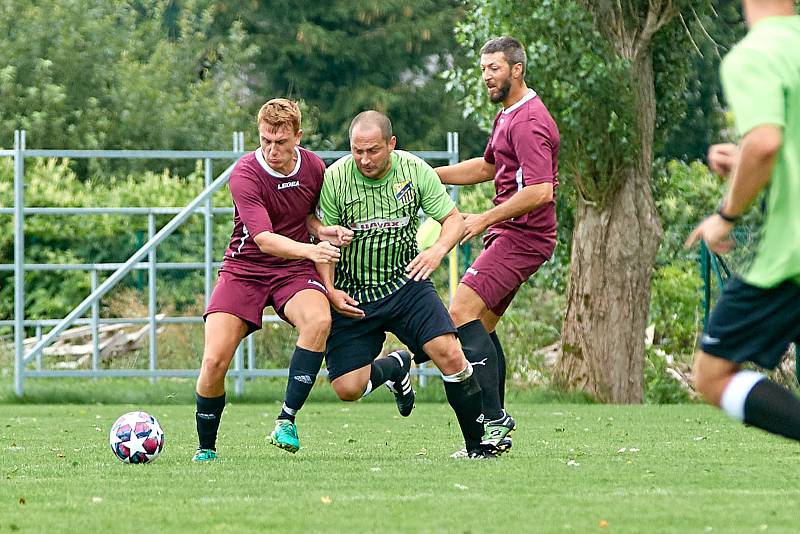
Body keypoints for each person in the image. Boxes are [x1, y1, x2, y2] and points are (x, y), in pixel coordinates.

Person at [317, 110, 498, 458]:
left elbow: (452, 220)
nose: (365, 159)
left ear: (391, 144)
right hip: (355, 292)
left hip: (406, 283)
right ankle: (397, 366)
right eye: (357, 151)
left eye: (373, 150)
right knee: (347, 388)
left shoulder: (415, 171)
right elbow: (324, 245)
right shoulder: (335, 179)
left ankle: (477, 447)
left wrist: (437, 251)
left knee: (450, 353)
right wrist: (330, 289)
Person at [193, 98, 353, 461]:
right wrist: (313, 250)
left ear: (298, 136)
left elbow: (307, 217)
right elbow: (264, 238)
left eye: (280, 142)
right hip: (244, 268)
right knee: (214, 361)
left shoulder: (313, 167)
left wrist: (323, 232)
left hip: (291, 270)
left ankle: (287, 419)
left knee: (319, 321)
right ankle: (206, 449)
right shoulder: (246, 173)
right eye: (266, 140)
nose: (272, 149)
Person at [430, 36, 560, 455]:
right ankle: (494, 432)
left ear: (516, 69)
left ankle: (494, 418)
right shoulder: (508, 114)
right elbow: (490, 166)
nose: (487, 76)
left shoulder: (528, 121)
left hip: (524, 237)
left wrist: (482, 218)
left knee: (459, 312)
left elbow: (541, 191)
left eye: (495, 69)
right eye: (484, 69)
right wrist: (432, 175)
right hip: (511, 233)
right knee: (479, 327)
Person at [686, 0, 800, 441]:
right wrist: (745, 162)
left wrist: (725, 216)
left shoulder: (756, 55)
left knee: (713, 374)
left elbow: (767, 143)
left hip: (789, 257)